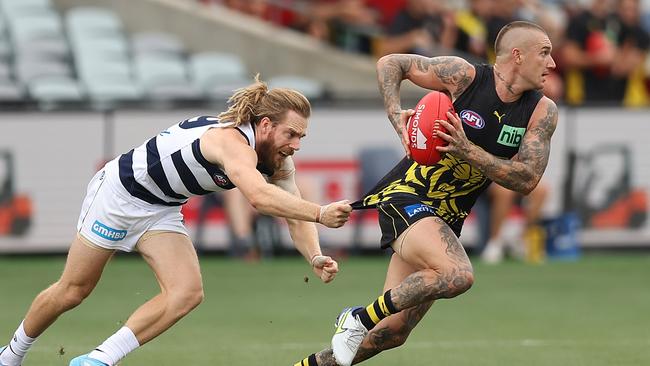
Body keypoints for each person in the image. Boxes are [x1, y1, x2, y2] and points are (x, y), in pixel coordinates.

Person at [0, 76, 352, 366]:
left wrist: (314, 255)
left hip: (162, 207)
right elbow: (260, 198)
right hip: (118, 197)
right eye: (291, 134)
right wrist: (321, 213)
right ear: (264, 125)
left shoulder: (276, 160)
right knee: (73, 290)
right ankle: (11, 356)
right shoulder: (231, 142)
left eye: (302, 137)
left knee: (187, 292)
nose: (297, 145)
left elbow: (292, 209)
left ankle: (98, 360)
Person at [293, 20, 558, 366]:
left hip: (446, 218)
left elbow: (527, 179)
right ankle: (357, 318)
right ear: (518, 56)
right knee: (458, 274)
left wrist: (468, 151)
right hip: (407, 197)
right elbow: (391, 63)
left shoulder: (541, 111)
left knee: (391, 333)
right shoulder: (464, 77)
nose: (552, 64)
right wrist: (394, 115)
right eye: (545, 53)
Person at [480, 181, 550, 264]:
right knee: (505, 192)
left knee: (541, 190)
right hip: (487, 183)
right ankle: (495, 242)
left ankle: (521, 240)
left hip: (516, 180)